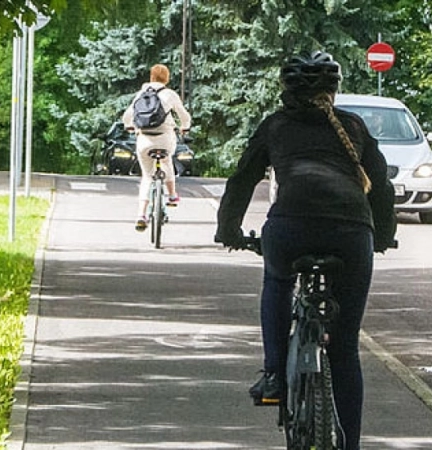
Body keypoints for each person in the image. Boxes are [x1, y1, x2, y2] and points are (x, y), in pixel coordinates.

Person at [214, 51, 396, 450]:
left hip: (290, 227)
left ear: (285, 90)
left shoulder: (275, 126)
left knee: (277, 282)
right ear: (334, 90)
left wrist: (228, 230)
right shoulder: (353, 126)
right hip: (351, 233)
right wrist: (382, 236)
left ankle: (275, 375)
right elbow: (381, 188)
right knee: (345, 346)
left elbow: (242, 180)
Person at [122, 64, 191, 231]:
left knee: (147, 176)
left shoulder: (141, 94)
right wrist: (185, 127)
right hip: (165, 138)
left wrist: (129, 127)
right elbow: (184, 116)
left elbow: (127, 117)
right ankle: (172, 196)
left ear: (151, 77)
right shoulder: (170, 94)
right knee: (167, 161)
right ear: (166, 78)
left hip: (144, 140)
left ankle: (141, 215)